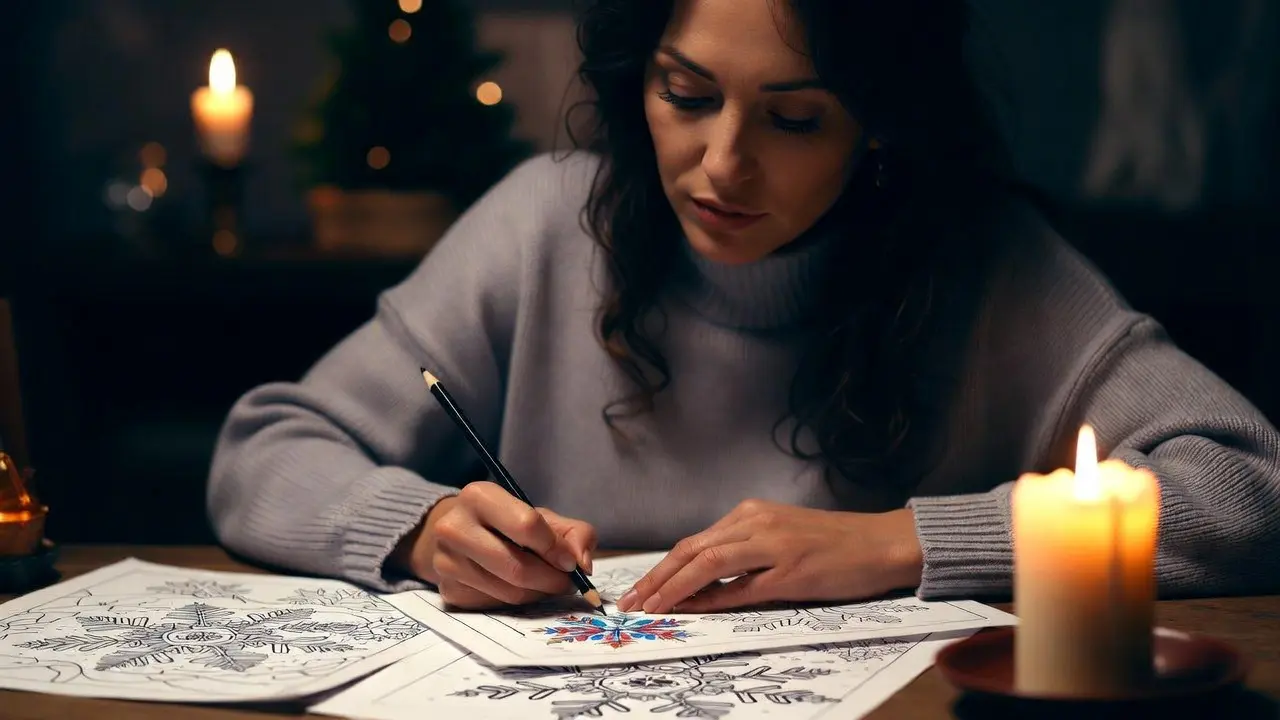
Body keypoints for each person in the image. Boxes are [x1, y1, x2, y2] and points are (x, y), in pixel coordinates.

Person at [208, 0, 1280, 613]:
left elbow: (1246, 481)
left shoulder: (979, 261)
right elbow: (266, 447)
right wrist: (424, 526)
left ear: (876, 129)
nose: (721, 166)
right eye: (684, 96)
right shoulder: (546, 225)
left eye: (794, 120)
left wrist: (901, 544)